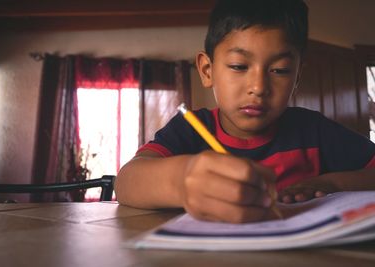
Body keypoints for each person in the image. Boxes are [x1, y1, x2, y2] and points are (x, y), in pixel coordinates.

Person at [114, 0, 375, 223]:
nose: (259, 87)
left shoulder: (313, 130)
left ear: (296, 78)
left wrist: (331, 184)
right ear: (207, 71)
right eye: (239, 66)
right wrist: (182, 181)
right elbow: (125, 182)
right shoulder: (192, 129)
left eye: (280, 70)